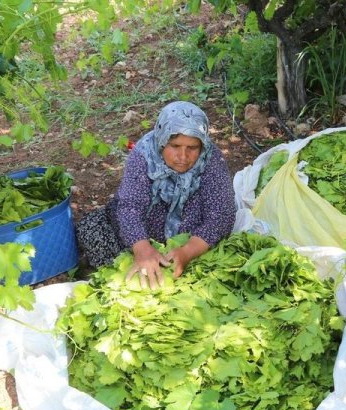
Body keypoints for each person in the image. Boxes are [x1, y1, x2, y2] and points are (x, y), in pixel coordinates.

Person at [76, 101, 236, 288]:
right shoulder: (144, 155)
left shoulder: (211, 159)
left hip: (190, 239)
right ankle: (142, 260)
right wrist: (142, 249)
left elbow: (221, 214)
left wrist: (187, 252)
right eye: (175, 146)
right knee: (92, 231)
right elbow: (130, 206)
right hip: (142, 234)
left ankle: (175, 262)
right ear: (162, 142)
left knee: (206, 272)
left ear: (202, 145)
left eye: (192, 148)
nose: (183, 157)